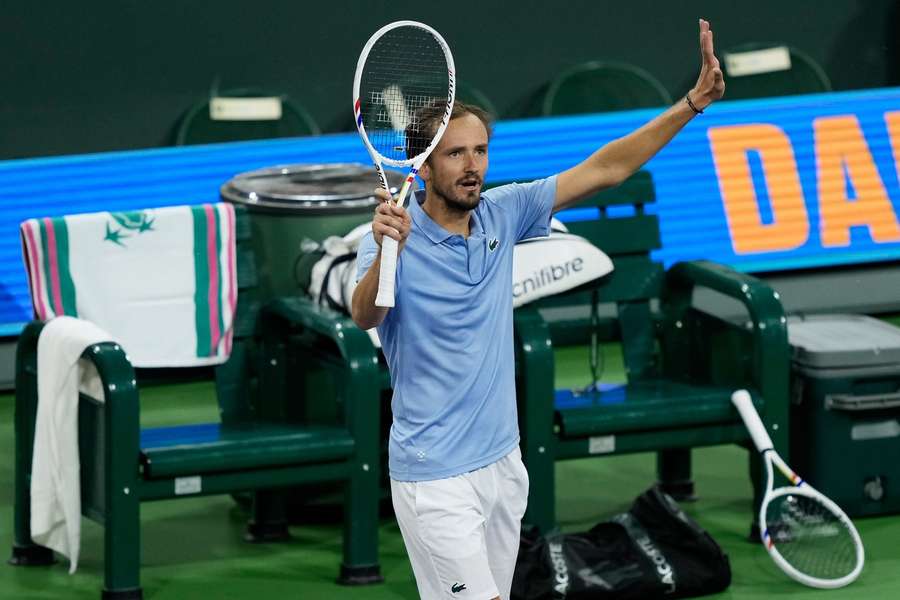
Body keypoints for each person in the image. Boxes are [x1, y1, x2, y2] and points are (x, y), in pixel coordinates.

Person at [351, 19, 725, 600]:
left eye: (480, 150)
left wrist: (692, 104)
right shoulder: (387, 238)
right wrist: (386, 252)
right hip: (435, 478)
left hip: (503, 464)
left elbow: (606, 169)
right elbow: (365, 317)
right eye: (455, 154)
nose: (472, 165)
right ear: (422, 165)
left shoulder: (504, 212)